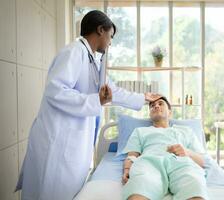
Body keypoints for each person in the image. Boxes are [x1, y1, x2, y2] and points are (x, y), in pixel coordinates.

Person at [15, 10, 160, 200]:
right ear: (100, 30)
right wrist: (95, 101)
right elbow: (56, 91)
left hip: (73, 144)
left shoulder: (93, 62)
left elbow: (111, 91)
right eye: (111, 36)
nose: (110, 42)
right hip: (58, 142)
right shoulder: (74, 52)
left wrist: (143, 97)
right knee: (50, 192)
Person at [122, 96, 208, 200]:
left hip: (182, 164)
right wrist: (127, 170)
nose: (156, 106)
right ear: (150, 114)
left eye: (160, 103)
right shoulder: (140, 131)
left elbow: (202, 162)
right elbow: (131, 156)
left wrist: (186, 152)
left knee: (194, 185)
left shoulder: (186, 131)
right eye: (152, 106)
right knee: (139, 188)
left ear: (170, 112)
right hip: (149, 163)